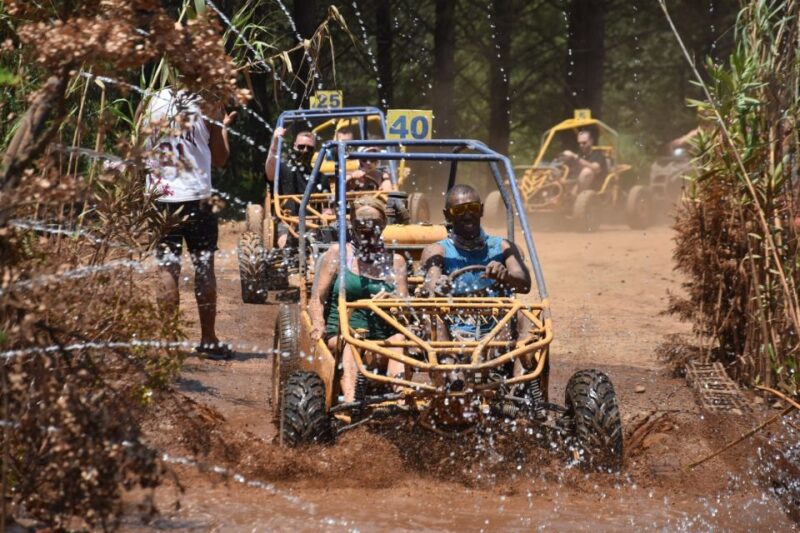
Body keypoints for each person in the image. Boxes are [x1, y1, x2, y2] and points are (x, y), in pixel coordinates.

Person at [143, 86, 235, 359]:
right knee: (204, 266)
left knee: (167, 269)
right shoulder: (209, 101)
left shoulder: (151, 98)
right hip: (197, 197)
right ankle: (208, 340)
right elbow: (220, 158)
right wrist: (223, 127)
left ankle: (168, 344)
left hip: (161, 197)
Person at [309, 197, 408, 403]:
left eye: (372, 224)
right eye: (360, 224)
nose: (366, 230)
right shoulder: (339, 253)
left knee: (400, 340)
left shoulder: (396, 262)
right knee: (352, 343)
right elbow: (317, 298)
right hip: (343, 334)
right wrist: (318, 323)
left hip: (382, 339)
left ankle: (400, 400)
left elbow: (406, 308)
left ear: (383, 226)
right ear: (352, 225)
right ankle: (352, 404)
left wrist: (394, 299)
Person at [420, 184, 530, 339]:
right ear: (447, 215)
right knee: (430, 316)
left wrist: (505, 276)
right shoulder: (437, 251)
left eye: (473, 208)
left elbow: (525, 285)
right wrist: (440, 287)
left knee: (523, 315)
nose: (467, 215)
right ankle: (446, 361)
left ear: (481, 210)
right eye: (459, 210)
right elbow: (431, 289)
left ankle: (522, 360)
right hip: (453, 330)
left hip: (498, 328)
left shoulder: (503, 247)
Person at [265, 128, 327, 248]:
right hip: (286, 223)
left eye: (309, 148)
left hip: (313, 224)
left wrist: (327, 215)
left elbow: (327, 207)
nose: (305, 151)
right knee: (286, 245)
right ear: (294, 146)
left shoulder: (320, 177)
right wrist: (275, 142)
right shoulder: (283, 168)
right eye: (301, 147)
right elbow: (269, 171)